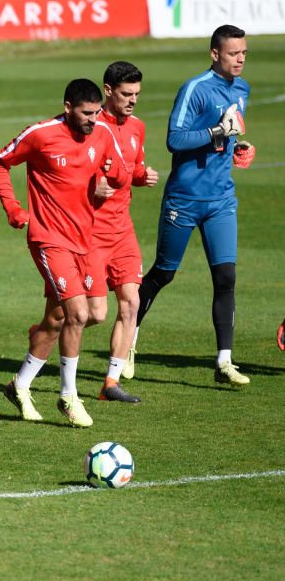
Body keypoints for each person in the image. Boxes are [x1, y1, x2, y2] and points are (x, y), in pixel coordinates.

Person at [0, 78, 130, 427]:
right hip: (48, 239)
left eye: (97, 113)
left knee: (78, 316)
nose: (93, 120)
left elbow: (122, 173)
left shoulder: (101, 133)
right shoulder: (40, 133)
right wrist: (12, 207)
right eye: (86, 113)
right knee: (78, 314)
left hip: (85, 239)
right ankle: (69, 396)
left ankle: (19, 385)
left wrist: (111, 181)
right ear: (68, 107)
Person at [128, 25, 253, 386]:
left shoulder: (242, 89)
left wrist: (239, 145)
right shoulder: (195, 89)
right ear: (215, 54)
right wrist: (217, 132)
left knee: (226, 277)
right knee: (163, 274)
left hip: (221, 200)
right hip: (184, 199)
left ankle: (224, 362)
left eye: (244, 52)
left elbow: (230, 132)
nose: (241, 59)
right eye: (234, 53)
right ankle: (127, 343)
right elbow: (175, 139)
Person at [88, 61, 159, 403]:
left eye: (137, 94)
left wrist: (142, 176)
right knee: (90, 314)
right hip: (89, 231)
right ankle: (49, 330)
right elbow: (73, 172)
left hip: (122, 230)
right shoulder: (89, 125)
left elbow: (132, 168)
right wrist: (92, 187)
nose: (133, 100)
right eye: (126, 94)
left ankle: (110, 382)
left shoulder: (137, 128)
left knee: (131, 303)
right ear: (108, 90)